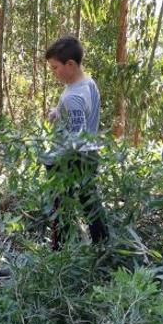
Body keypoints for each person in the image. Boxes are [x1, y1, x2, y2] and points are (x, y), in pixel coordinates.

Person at [43, 35, 110, 250]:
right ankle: (103, 246)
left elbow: (75, 136)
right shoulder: (86, 83)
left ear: (70, 64)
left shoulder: (73, 97)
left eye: (55, 68)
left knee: (60, 207)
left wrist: (53, 161)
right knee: (90, 203)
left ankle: (59, 253)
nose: (53, 73)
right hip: (89, 154)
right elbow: (80, 116)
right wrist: (57, 113)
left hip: (73, 159)